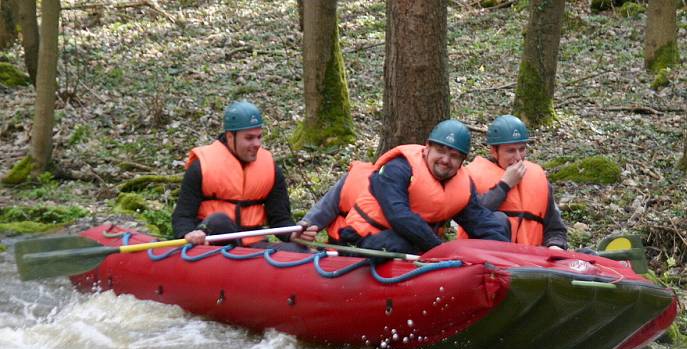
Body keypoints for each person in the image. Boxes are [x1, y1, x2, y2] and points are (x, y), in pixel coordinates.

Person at [327, 119, 509, 254]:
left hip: (418, 244)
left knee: (497, 225)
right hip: (362, 240)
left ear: (462, 161)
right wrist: (440, 250)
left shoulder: (462, 185)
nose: (445, 160)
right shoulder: (398, 168)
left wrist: (503, 251)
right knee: (398, 244)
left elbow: (481, 221)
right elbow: (399, 216)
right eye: (440, 151)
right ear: (427, 147)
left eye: (454, 156)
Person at [171, 100, 301, 249]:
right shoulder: (201, 167)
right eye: (249, 138)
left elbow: (280, 220)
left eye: (259, 137)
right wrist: (187, 233)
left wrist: (294, 234)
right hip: (214, 244)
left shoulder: (271, 169)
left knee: (300, 250)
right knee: (218, 221)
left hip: (254, 246)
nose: (257, 144)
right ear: (230, 137)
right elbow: (182, 216)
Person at [462, 115, 567, 249]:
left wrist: (555, 246)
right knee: (498, 218)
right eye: (511, 151)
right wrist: (504, 186)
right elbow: (472, 218)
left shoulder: (538, 177)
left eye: (522, 149)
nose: (518, 158)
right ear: (494, 151)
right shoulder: (472, 175)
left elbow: (556, 230)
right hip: (486, 259)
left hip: (531, 263)